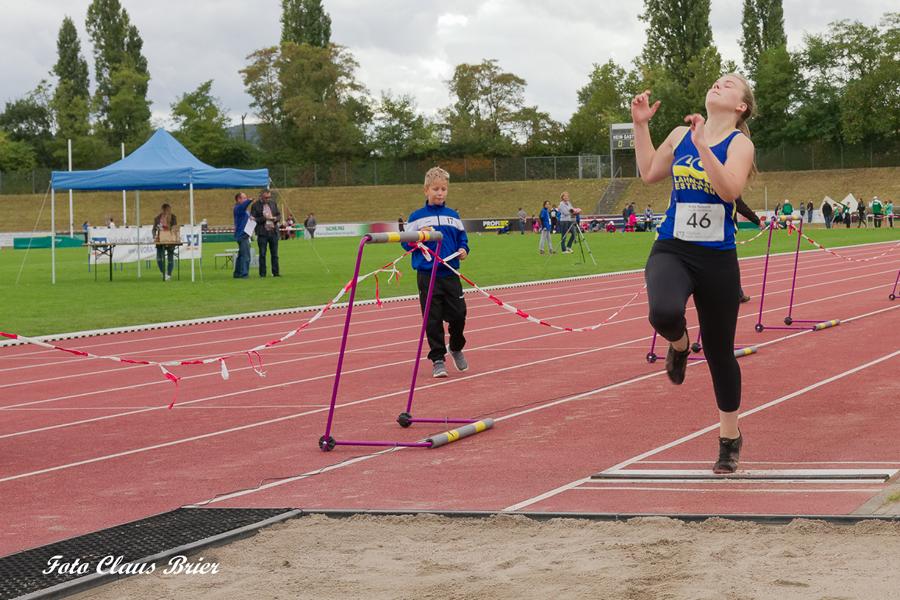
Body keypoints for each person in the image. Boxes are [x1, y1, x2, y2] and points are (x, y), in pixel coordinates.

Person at [632, 73, 756, 474]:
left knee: (720, 352)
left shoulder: (739, 144)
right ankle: (681, 345)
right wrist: (640, 126)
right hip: (673, 246)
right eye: (717, 81)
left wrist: (703, 145)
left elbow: (729, 190)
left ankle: (729, 438)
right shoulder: (678, 134)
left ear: (741, 106)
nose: (719, 84)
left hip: (717, 257)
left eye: (730, 84)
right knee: (663, 313)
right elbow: (649, 172)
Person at [402, 167, 470, 379]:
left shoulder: (453, 216)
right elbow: (406, 243)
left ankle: (456, 347)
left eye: (443, 189)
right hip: (427, 275)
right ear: (426, 190)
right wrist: (420, 236)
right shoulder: (417, 217)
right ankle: (438, 359)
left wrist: (463, 249)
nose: (440, 193)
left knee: (459, 315)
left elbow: (462, 238)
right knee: (432, 319)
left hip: (450, 273)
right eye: (435, 189)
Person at [251, 190, 281, 277]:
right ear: (261, 196)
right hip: (262, 233)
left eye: (269, 197)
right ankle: (262, 273)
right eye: (266, 197)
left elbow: (279, 215)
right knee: (262, 254)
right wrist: (265, 218)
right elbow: (254, 219)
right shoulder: (255, 206)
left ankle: (275, 272)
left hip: (273, 232)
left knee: (275, 254)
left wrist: (275, 218)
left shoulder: (273, 203)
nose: (268, 199)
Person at [152, 203, 178, 281]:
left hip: (170, 241)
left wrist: (171, 228)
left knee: (170, 258)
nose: (168, 211)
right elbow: (154, 229)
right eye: (166, 210)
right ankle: (163, 273)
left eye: (169, 209)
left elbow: (175, 228)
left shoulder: (173, 217)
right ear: (163, 210)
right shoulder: (157, 218)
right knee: (159, 259)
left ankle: (169, 274)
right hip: (160, 241)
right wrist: (154, 236)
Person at [232, 192, 252, 278]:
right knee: (246, 256)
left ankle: (237, 273)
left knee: (241, 255)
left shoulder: (243, 210)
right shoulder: (238, 208)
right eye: (244, 198)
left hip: (244, 234)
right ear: (238, 199)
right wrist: (249, 200)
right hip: (242, 235)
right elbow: (244, 205)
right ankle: (244, 274)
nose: (245, 199)